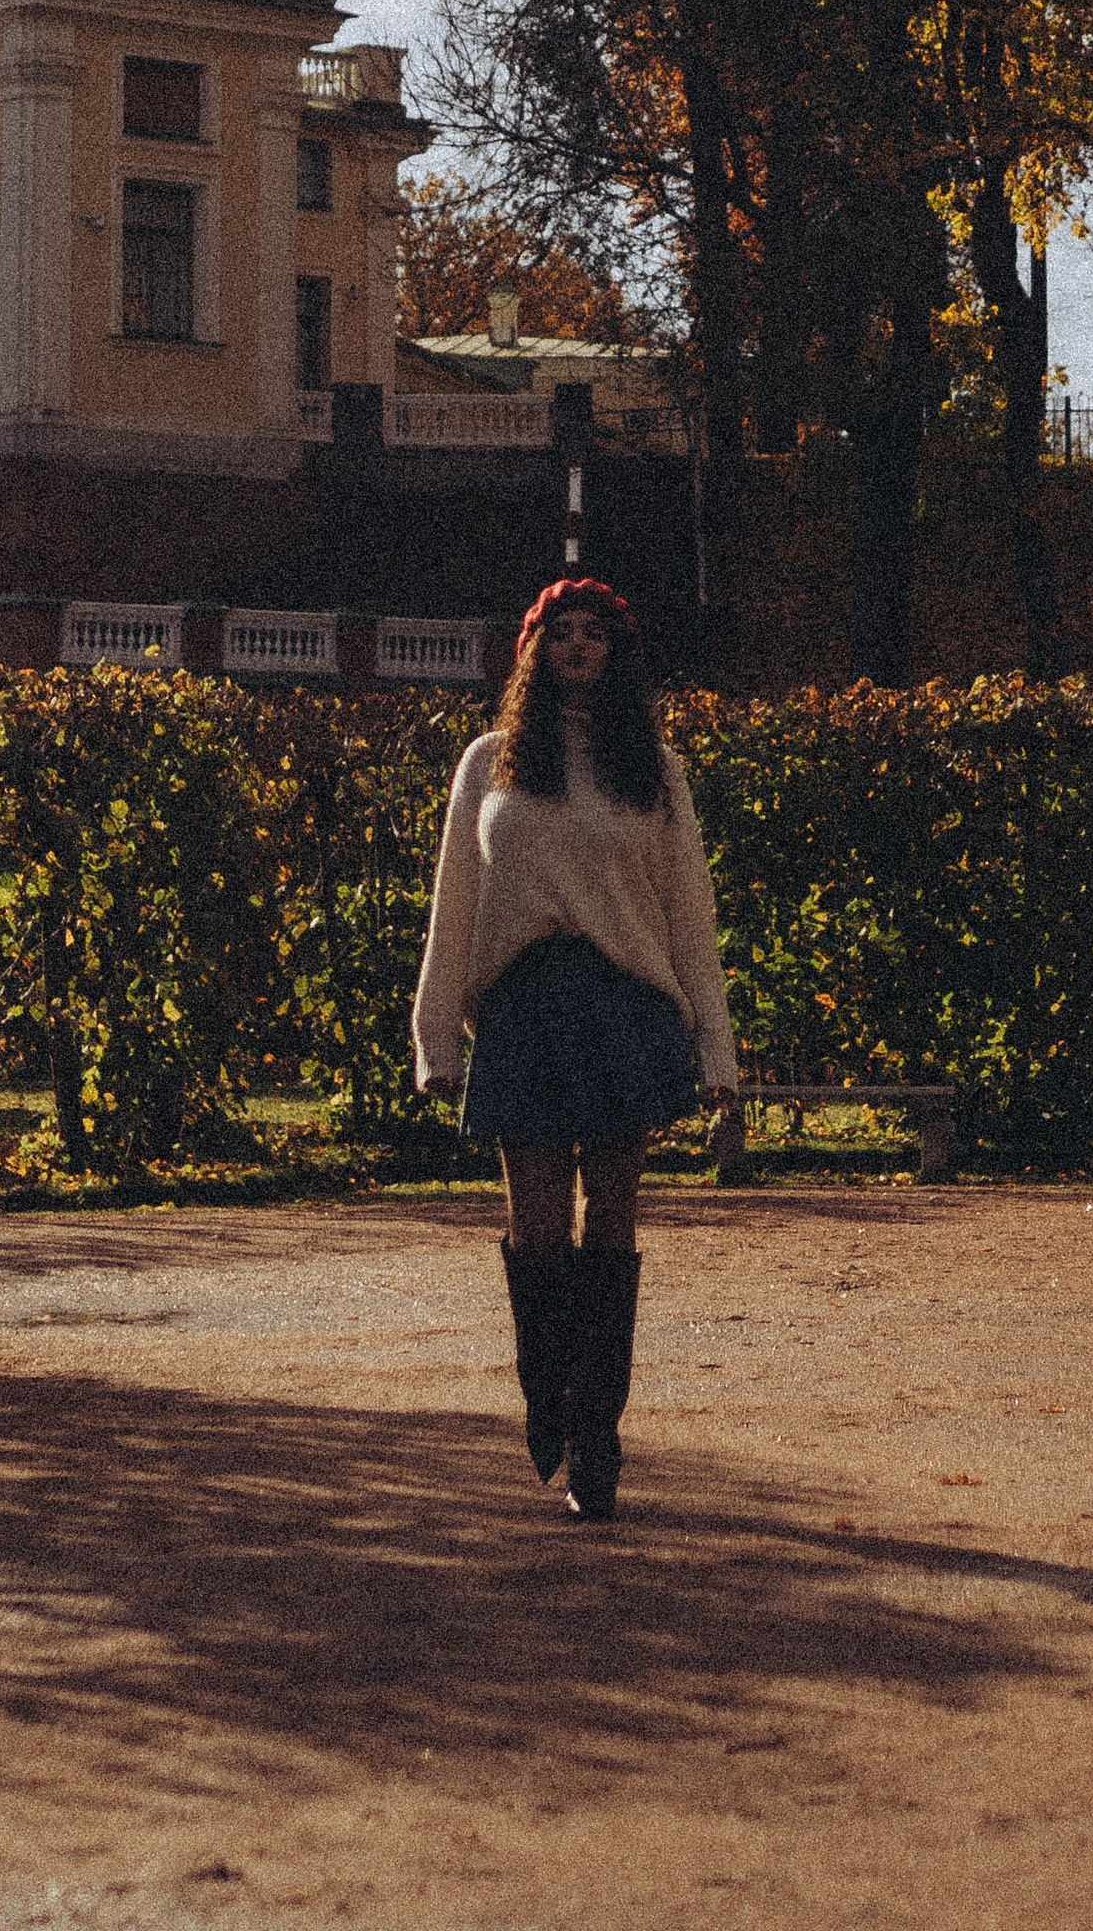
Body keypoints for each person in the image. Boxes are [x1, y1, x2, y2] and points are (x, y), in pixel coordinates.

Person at [411, 574, 740, 1521]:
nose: (579, 647)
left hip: (625, 1009)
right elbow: (454, 904)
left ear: (618, 654)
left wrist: (716, 1050)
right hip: (523, 1008)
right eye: (562, 633)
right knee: (538, 1228)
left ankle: (599, 1432)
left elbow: (689, 913)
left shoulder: (654, 770)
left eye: (596, 634)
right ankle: (545, 1397)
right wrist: (436, 1038)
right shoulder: (489, 762)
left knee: (614, 1225)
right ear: (533, 652)